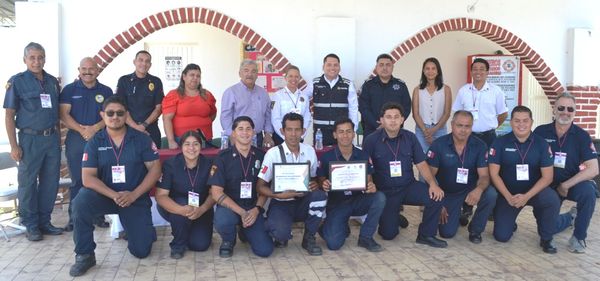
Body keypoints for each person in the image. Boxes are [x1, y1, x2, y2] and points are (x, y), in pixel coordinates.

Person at [69, 95, 161, 276]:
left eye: (120, 113)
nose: (115, 116)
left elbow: (155, 171)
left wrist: (133, 195)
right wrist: (114, 195)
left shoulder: (141, 139)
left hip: (134, 197)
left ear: (126, 115)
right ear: (103, 115)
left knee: (141, 251)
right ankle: (84, 254)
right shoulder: (95, 142)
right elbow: (88, 178)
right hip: (105, 196)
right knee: (80, 201)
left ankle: (139, 229)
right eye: (110, 113)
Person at [362, 102, 447, 248]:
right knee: (388, 235)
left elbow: (421, 164)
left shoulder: (410, 138)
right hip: (385, 192)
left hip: (408, 187)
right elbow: (366, 168)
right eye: (388, 117)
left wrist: (433, 184)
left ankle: (426, 235)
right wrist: (370, 184)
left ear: (402, 120)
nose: (393, 120)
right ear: (381, 120)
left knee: (436, 196)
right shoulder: (371, 140)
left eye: (396, 117)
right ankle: (394, 217)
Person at [3, 42, 63, 241]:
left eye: (40, 57)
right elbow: (9, 115)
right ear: (25, 60)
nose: (37, 61)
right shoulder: (17, 82)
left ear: (44, 59)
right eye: (32, 58)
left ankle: (45, 222)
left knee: (50, 181)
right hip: (29, 139)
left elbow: (58, 113)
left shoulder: (53, 82)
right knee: (28, 183)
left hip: (51, 139)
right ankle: (30, 224)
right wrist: (14, 145)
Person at [488, 106, 560, 254]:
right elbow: (494, 174)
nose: (521, 124)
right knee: (501, 236)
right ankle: (510, 221)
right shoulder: (500, 143)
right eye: (517, 121)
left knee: (552, 199)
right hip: (509, 195)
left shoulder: (541, 144)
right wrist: (508, 197)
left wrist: (526, 196)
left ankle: (547, 237)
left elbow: (548, 177)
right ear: (511, 122)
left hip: (535, 193)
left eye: (525, 121)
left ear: (531, 122)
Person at [533, 92, 598, 253]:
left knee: (589, 192)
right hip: (546, 185)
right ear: (554, 110)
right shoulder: (540, 132)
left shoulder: (581, 136)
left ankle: (578, 237)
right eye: (561, 108)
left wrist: (566, 184)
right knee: (546, 230)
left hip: (570, 183)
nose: (565, 112)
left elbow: (594, 168)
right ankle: (570, 218)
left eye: (570, 109)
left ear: (575, 112)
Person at [257, 112, 327, 255]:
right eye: (289, 129)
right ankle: (276, 229)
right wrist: (279, 195)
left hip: (303, 201)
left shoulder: (309, 151)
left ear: (303, 131)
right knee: (280, 235)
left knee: (320, 196)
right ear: (282, 131)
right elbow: (260, 186)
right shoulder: (273, 153)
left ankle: (309, 238)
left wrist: (315, 184)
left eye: (297, 130)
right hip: (281, 203)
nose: (293, 134)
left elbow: (313, 178)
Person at [451, 57, 508, 225]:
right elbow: (456, 113)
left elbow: (503, 113)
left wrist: (490, 126)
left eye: (482, 69)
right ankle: (466, 208)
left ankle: (489, 208)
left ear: (487, 72)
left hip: (489, 137)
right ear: (471, 72)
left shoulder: (496, 91)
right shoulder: (464, 91)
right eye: (475, 69)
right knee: (466, 170)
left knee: (490, 171)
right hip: (468, 136)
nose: (478, 72)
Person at [426, 110, 497, 243]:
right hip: (447, 193)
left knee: (491, 194)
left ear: (472, 127)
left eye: (467, 126)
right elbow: (429, 177)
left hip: (470, 189)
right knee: (447, 233)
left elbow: (484, 176)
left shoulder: (480, 146)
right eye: (460, 125)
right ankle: (458, 215)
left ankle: (475, 230)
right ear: (452, 125)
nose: (463, 130)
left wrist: (479, 190)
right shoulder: (439, 145)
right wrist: (438, 204)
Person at [59, 57, 113, 231]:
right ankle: (75, 218)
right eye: (84, 68)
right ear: (79, 69)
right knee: (77, 180)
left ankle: (98, 216)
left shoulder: (106, 90)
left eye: (91, 68)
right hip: (76, 139)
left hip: (100, 139)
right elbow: (64, 114)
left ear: (97, 70)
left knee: (101, 178)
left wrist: (95, 128)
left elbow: (110, 114)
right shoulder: (69, 90)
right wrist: (82, 130)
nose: (88, 72)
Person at [209, 116, 274, 258]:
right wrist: (242, 212)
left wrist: (256, 210)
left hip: (252, 207)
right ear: (233, 133)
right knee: (223, 220)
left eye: (248, 129)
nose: (245, 132)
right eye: (240, 129)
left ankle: (245, 232)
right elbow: (216, 193)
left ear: (254, 132)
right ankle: (228, 240)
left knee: (265, 251)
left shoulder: (262, 156)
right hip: (229, 207)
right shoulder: (223, 157)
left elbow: (265, 189)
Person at [318, 117, 386, 252]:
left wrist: (371, 186)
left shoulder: (363, 155)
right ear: (335, 135)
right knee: (334, 244)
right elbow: (320, 179)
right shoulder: (326, 157)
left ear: (354, 134)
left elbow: (369, 180)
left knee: (380, 197)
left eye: (348, 131)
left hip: (357, 201)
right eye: (341, 132)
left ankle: (366, 237)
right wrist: (323, 183)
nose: (345, 135)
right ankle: (327, 227)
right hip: (336, 204)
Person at [156, 130, 215, 259]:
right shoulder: (170, 164)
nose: (191, 148)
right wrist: (181, 210)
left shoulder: (210, 164)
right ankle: (178, 245)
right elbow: (161, 196)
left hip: (201, 208)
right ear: (181, 147)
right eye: (187, 144)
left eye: (195, 144)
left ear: (201, 146)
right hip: (176, 206)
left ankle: (185, 231)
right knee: (182, 208)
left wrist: (202, 209)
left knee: (200, 245)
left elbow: (213, 193)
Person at [305, 53, 358, 146]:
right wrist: (305, 121)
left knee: (341, 159)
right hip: (320, 132)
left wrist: (353, 130)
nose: (332, 68)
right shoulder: (314, 83)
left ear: (339, 67)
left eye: (335, 65)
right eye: (329, 65)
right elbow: (302, 101)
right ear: (323, 67)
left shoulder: (347, 84)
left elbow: (353, 108)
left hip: (341, 132)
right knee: (321, 158)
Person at [116, 50, 164, 148]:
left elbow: (159, 108)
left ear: (150, 64)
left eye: (147, 61)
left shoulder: (156, 82)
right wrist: (136, 127)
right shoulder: (124, 81)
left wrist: (144, 125)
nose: (144, 63)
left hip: (151, 130)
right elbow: (121, 108)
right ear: (134, 62)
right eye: (140, 60)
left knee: (154, 161)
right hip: (128, 130)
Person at [220, 59, 274, 148]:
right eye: (246, 70)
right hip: (238, 137)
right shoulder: (231, 92)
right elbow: (225, 117)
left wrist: (268, 134)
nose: (250, 74)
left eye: (253, 71)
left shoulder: (263, 93)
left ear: (257, 75)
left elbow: (268, 116)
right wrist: (231, 135)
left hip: (258, 137)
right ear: (240, 74)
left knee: (258, 161)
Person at [359, 53, 411, 143]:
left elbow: (406, 107)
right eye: (381, 65)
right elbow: (363, 107)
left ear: (392, 67)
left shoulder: (400, 85)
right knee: (370, 157)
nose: (384, 68)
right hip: (372, 130)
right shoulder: (368, 85)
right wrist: (377, 124)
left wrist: (394, 123)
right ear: (376, 67)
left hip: (395, 131)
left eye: (388, 65)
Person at [162, 63, 217, 149]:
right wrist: (171, 141)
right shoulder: (173, 95)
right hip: (181, 140)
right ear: (184, 77)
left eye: (198, 76)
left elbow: (213, 114)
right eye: (192, 75)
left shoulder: (207, 95)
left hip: (204, 140)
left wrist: (203, 123)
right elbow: (167, 119)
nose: (195, 78)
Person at [412, 57, 452, 154]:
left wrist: (434, 129)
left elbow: (447, 113)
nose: (430, 71)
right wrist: (425, 131)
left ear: (438, 71)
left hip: (440, 129)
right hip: (422, 129)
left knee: (440, 157)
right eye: (427, 68)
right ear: (423, 71)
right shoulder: (417, 90)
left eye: (433, 68)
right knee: (422, 158)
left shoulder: (446, 89)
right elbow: (415, 113)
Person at [270, 65, 311, 146]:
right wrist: (285, 135)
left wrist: (302, 133)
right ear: (285, 78)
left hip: (298, 136)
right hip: (280, 138)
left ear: (299, 78)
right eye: (290, 76)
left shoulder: (304, 96)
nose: (293, 79)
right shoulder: (277, 96)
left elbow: (307, 117)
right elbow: (275, 118)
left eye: (296, 76)